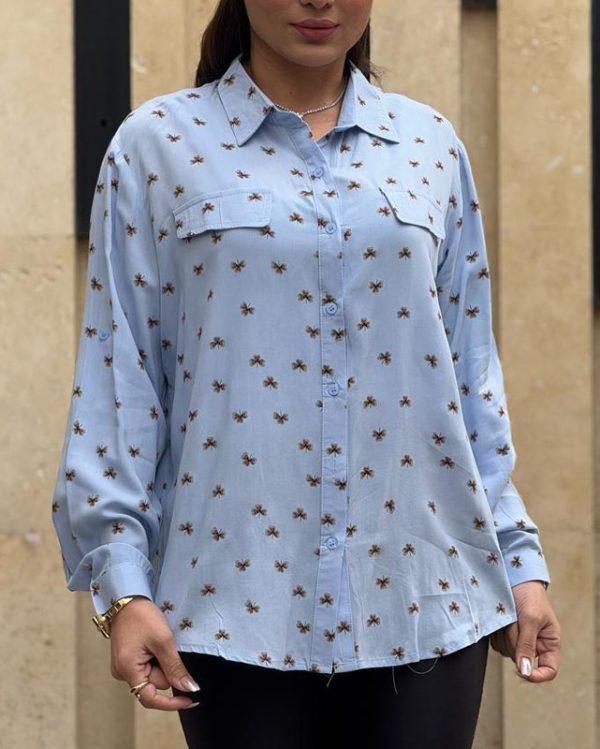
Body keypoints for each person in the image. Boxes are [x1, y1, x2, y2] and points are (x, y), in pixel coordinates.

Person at [50, 0, 562, 746]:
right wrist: (123, 586)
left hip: (429, 597)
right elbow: (119, 376)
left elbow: (469, 376)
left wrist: (519, 561)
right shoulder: (156, 146)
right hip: (232, 607)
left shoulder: (429, 145)